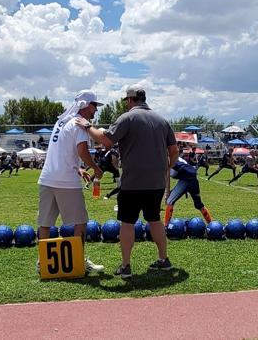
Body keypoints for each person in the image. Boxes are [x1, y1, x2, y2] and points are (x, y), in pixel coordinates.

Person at [79, 86, 178, 279]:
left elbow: (106, 141)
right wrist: (165, 168)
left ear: (130, 100)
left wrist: (87, 126)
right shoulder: (162, 120)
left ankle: (125, 266)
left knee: (127, 222)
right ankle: (163, 259)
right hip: (156, 182)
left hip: (133, 182)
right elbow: (174, 152)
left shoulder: (127, 118)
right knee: (154, 219)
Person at [37, 90, 107, 274]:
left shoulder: (61, 122)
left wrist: (78, 168)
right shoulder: (79, 124)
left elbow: (62, 152)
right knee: (81, 222)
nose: (96, 110)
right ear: (86, 105)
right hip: (66, 181)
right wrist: (96, 168)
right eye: (94, 106)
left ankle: (42, 262)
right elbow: (82, 151)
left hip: (47, 178)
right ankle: (78, 261)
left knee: (45, 223)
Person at [164, 152, 212, 225]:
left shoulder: (167, 160)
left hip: (186, 180)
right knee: (198, 204)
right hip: (193, 179)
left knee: (169, 201)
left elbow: (168, 176)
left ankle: (165, 226)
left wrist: (167, 193)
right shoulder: (179, 159)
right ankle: (211, 225)